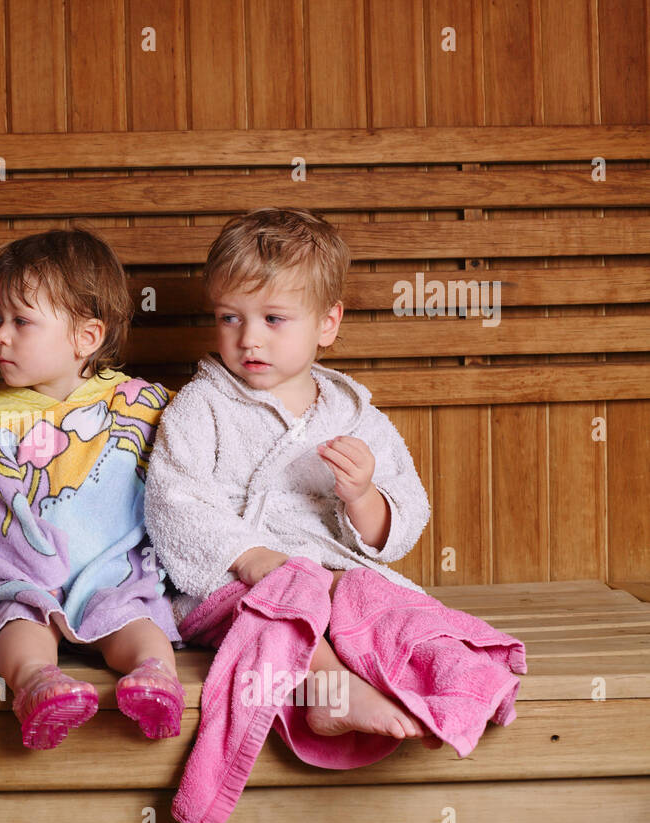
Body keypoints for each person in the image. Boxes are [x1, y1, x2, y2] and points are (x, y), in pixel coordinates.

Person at [143, 206, 443, 746]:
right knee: (284, 609)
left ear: (327, 323)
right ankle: (329, 690)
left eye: (273, 319)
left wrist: (364, 497)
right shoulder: (202, 405)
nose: (249, 339)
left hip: (330, 575)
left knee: (393, 611)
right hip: (230, 583)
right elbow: (174, 501)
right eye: (230, 317)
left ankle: (448, 681)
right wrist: (249, 557)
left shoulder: (352, 414)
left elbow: (408, 511)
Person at [0, 227, 184, 750]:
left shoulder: (143, 407)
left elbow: (191, 473)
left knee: (136, 616)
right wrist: (29, 572)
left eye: (21, 321)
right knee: (18, 617)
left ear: (86, 338)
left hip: (110, 574)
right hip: (18, 576)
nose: (0, 335)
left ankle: (155, 675)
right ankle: (36, 682)